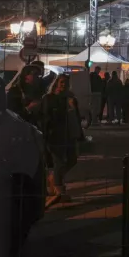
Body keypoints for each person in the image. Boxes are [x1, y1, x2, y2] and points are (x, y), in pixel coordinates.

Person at [39, 74, 82, 207]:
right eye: (61, 82)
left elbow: (77, 117)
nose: (63, 85)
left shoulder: (71, 98)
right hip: (55, 136)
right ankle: (59, 190)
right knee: (58, 162)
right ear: (56, 83)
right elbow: (46, 117)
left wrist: (80, 134)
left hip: (70, 134)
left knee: (72, 159)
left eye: (66, 83)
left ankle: (54, 179)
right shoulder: (49, 98)